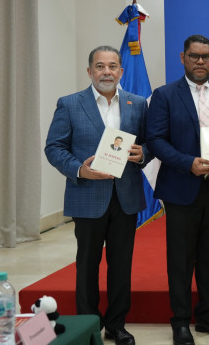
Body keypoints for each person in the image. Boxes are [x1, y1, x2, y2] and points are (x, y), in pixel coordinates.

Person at [45, 45, 150, 345]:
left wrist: (144, 153)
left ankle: (117, 325)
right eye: (100, 66)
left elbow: (149, 143)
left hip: (126, 197)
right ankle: (89, 326)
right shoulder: (69, 104)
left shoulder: (137, 103)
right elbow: (54, 148)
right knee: (87, 265)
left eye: (113, 66)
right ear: (89, 71)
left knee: (121, 265)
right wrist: (80, 169)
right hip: (88, 195)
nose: (107, 72)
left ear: (121, 71)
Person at [147, 34, 209, 345]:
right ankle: (180, 321)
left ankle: (206, 315)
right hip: (181, 188)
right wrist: (187, 162)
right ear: (183, 58)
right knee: (180, 258)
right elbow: (156, 140)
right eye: (194, 56)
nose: (200, 62)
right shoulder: (164, 95)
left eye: (205, 56)